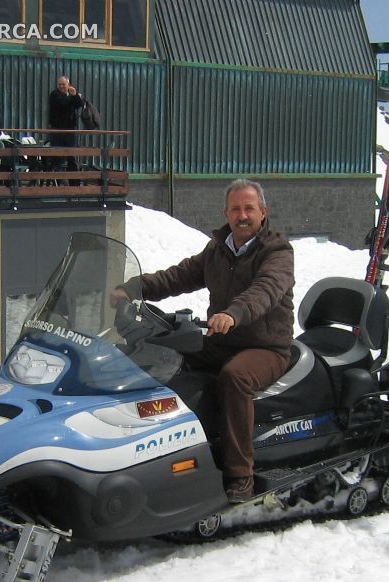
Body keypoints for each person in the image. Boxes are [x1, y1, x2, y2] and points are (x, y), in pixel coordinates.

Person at [110, 180, 295, 503]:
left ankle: (240, 474)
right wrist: (134, 288)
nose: (242, 215)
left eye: (249, 208)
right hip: (221, 339)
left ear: (263, 213)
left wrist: (234, 313)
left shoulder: (277, 252)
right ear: (226, 212)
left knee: (234, 377)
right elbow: (180, 275)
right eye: (235, 208)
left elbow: (265, 291)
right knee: (166, 357)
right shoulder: (219, 249)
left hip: (265, 346)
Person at [47, 75, 84, 183]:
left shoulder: (70, 95)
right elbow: (63, 103)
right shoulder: (54, 95)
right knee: (57, 158)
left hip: (70, 131)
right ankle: (57, 183)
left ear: (68, 85)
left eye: (64, 84)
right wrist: (73, 96)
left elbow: (80, 104)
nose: (62, 86)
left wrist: (76, 95)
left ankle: (74, 184)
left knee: (71, 157)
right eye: (60, 84)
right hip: (57, 131)